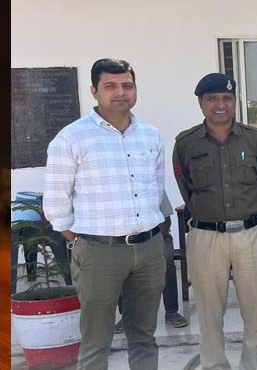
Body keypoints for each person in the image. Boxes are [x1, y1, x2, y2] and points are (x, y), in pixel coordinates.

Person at [44, 58, 166, 370]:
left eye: (127, 85)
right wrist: (78, 240)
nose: (120, 92)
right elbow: (56, 202)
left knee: (144, 336)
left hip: (149, 250)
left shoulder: (150, 135)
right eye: (110, 86)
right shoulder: (72, 137)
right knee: (96, 341)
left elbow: (156, 188)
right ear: (94, 91)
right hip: (99, 252)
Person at [173, 73, 257, 370]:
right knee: (209, 314)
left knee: (255, 313)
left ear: (235, 101)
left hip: (250, 234)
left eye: (227, 98)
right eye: (212, 99)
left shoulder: (255, 139)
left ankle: (254, 366)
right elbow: (186, 188)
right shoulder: (186, 143)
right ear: (200, 103)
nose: (220, 105)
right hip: (206, 236)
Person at [115, 193, 188, 333]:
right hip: (125, 241)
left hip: (157, 237)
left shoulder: (152, 186)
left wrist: (151, 243)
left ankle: (171, 312)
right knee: (118, 261)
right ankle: (127, 316)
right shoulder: (117, 192)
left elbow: (166, 221)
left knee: (166, 258)